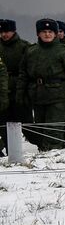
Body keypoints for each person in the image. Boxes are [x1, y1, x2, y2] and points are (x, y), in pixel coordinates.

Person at [23, 19, 65, 149]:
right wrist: (21, 94)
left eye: (50, 31)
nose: (47, 34)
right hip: (38, 95)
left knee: (54, 128)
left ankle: (53, 155)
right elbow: (23, 74)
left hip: (59, 95)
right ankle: (45, 151)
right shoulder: (31, 52)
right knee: (40, 127)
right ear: (38, 34)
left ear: (55, 33)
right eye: (44, 32)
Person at [0, 18, 28, 158]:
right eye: (2, 32)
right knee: (3, 122)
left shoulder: (24, 47)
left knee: (22, 121)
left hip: (19, 89)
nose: (4, 34)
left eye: (7, 31)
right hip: (2, 90)